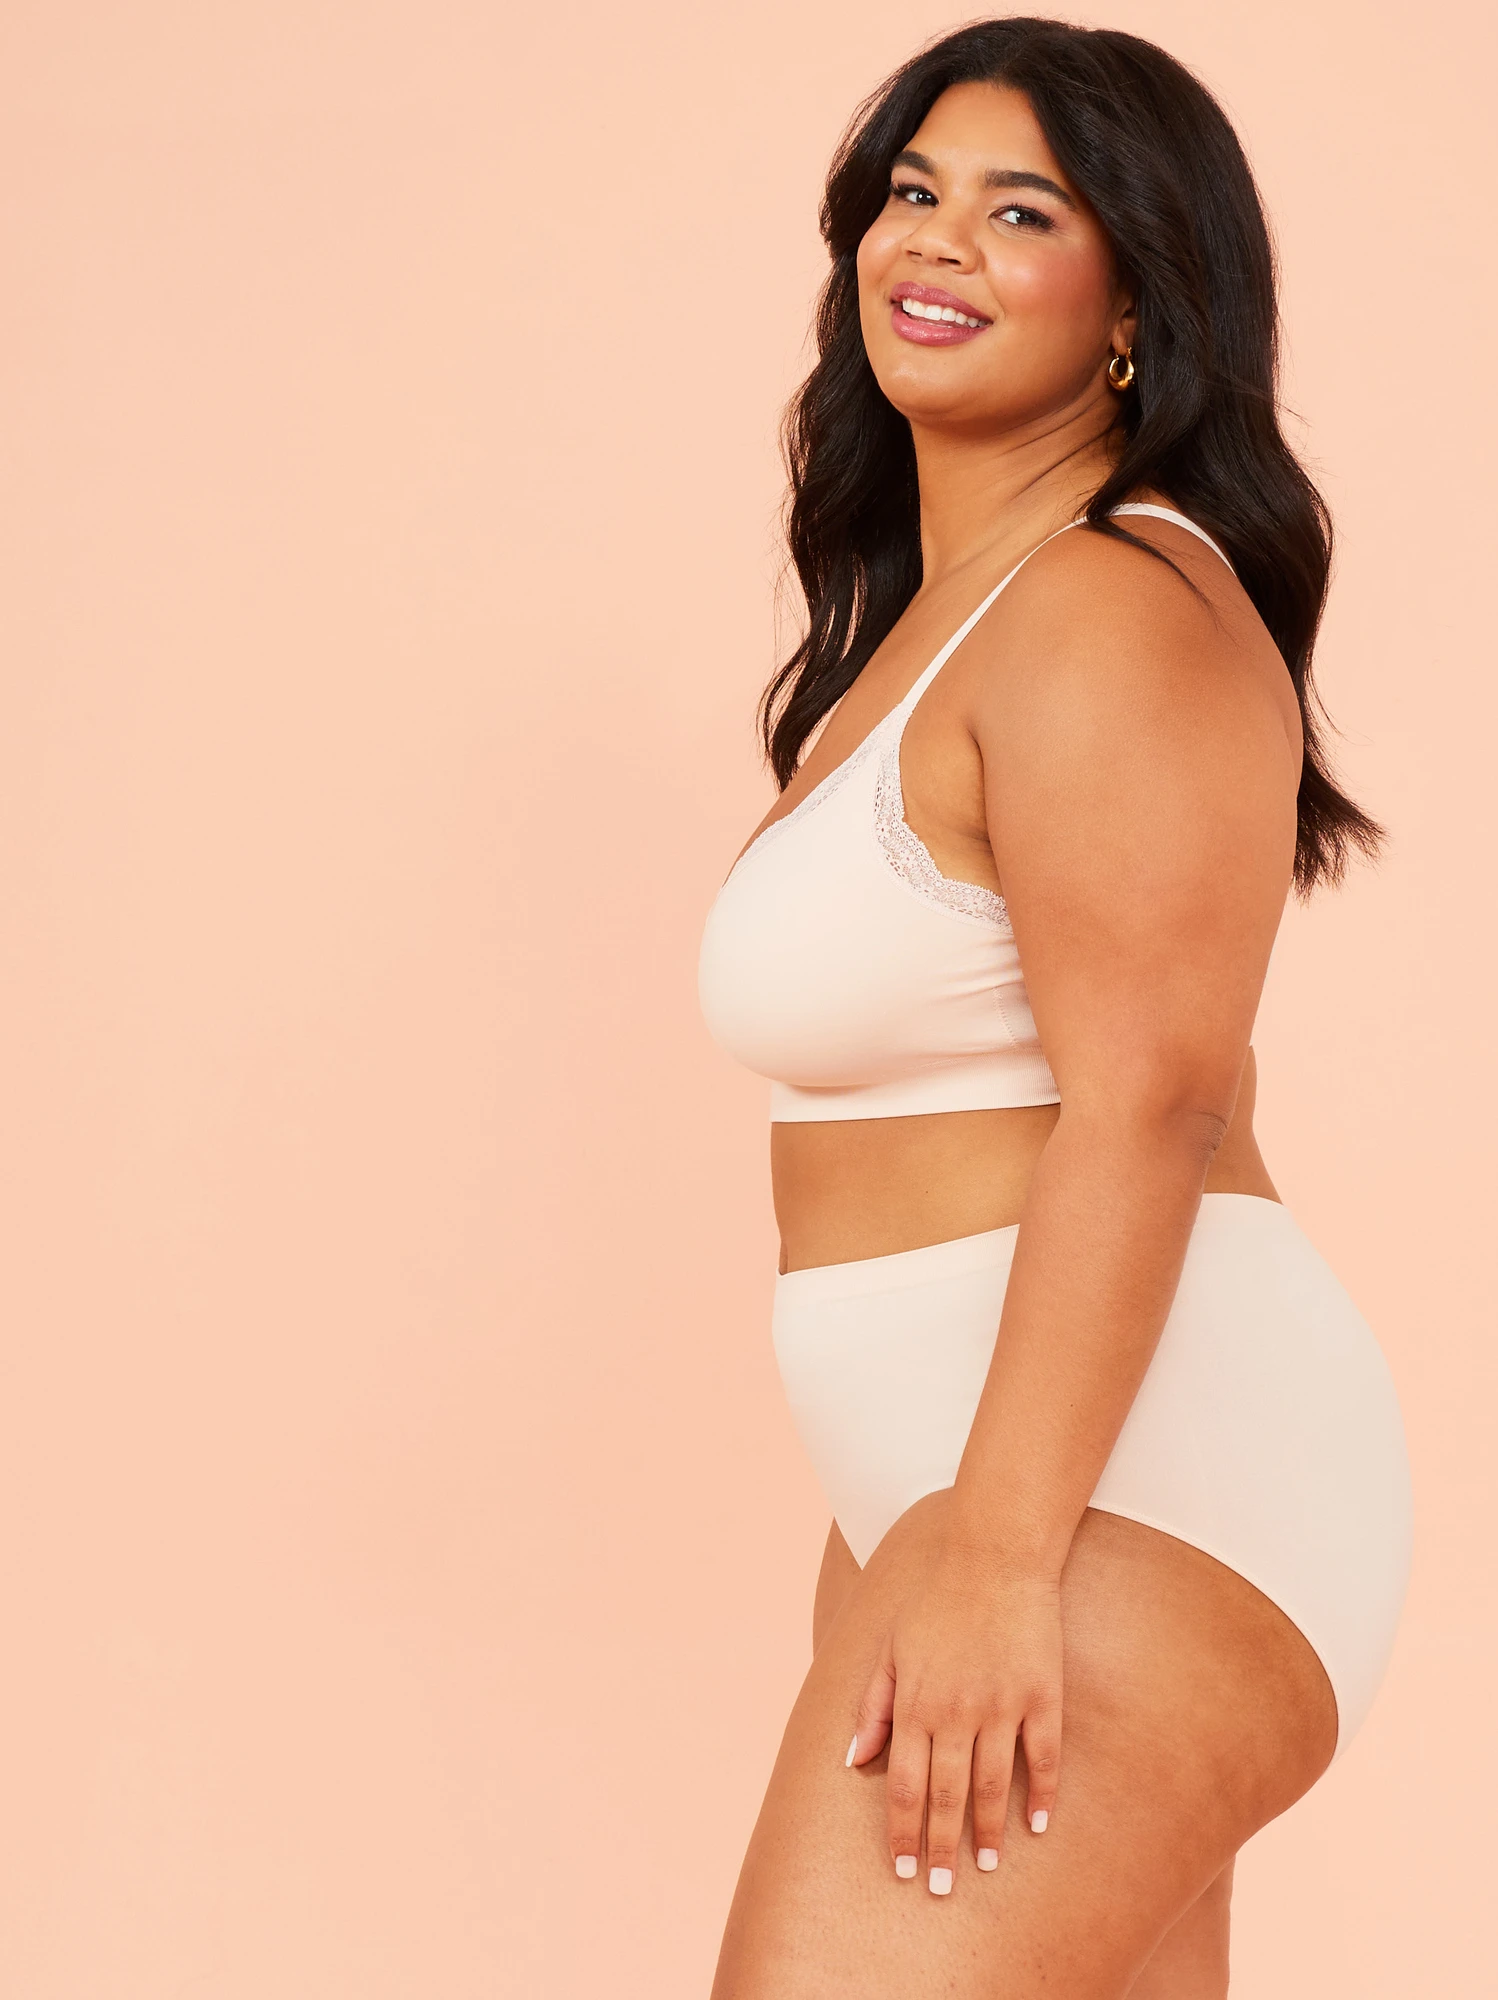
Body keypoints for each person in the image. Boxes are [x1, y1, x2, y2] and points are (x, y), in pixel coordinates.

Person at [696, 17, 1412, 1998]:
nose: (935, 240)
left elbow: (1153, 1098)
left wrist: (1001, 1550)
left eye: (1022, 212)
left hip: (1125, 1482)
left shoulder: (1110, 600)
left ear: (1133, 307)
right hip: (980, 1480)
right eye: (911, 191)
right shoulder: (940, 617)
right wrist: (922, 1525)